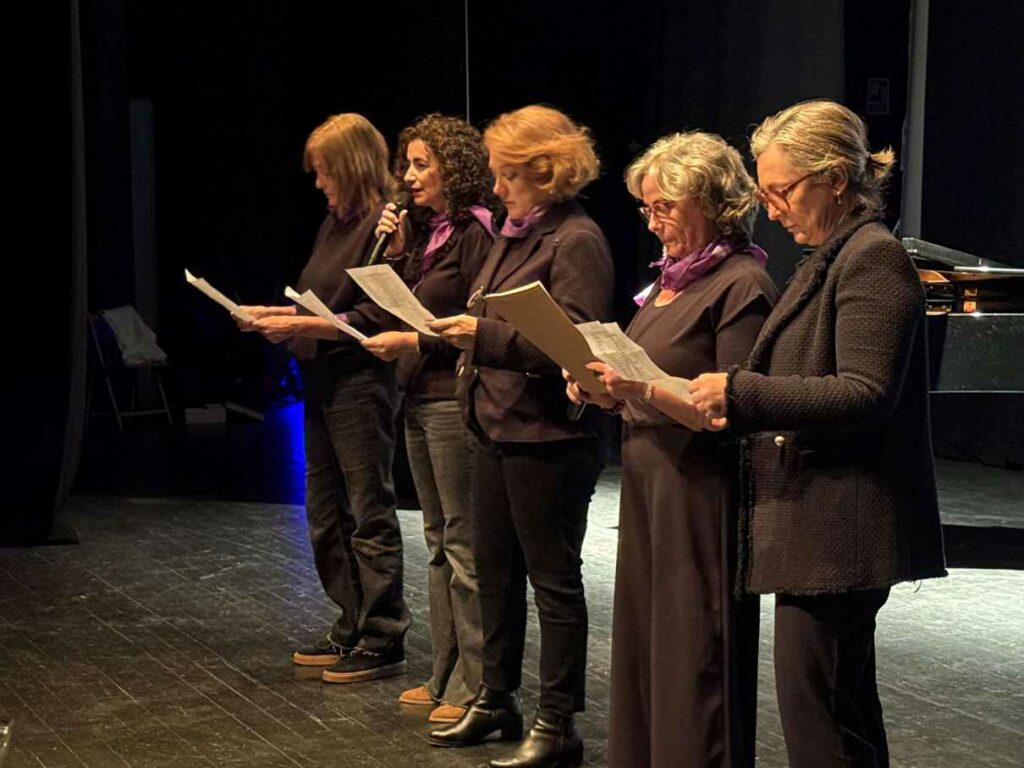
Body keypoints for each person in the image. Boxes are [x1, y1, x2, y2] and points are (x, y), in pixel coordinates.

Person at [689, 99, 947, 768]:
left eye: (781, 191)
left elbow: (863, 393)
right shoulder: (832, 254)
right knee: (841, 709)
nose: (771, 208)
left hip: (844, 529)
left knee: (820, 716)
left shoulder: (872, 258)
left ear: (835, 178)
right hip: (825, 527)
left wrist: (739, 393)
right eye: (765, 192)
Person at [565, 131, 777, 768]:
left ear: (711, 204)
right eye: (646, 209)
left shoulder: (742, 284)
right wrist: (602, 388)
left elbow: (731, 406)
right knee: (644, 646)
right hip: (650, 480)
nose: (652, 223)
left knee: (694, 656)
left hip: (700, 491)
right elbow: (645, 384)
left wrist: (639, 385)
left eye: (664, 208)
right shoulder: (666, 285)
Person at [425, 105, 613, 768]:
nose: (498, 189)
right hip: (495, 426)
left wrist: (485, 337)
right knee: (496, 574)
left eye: (509, 176)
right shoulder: (515, 231)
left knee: (552, 580)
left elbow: (577, 343)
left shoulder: (575, 239)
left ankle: (558, 721)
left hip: (547, 437)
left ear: (547, 172)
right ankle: (495, 697)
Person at [239, 113, 410, 684]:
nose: (318, 184)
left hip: (360, 382)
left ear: (350, 167)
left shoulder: (385, 227)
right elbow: (320, 302)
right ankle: (351, 622)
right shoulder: (334, 224)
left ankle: (384, 633)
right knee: (325, 510)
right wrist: (275, 317)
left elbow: (372, 316)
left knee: (368, 508)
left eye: (324, 172)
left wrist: (303, 326)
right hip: (322, 379)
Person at [361, 114, 497, 724]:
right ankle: (444, 676)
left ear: (456, 169)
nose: (409, 177)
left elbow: (470, 330)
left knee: (464, 547)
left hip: (452, 397)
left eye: (422, 165)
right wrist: (395, 253)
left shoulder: (475, 233)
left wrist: (416, 345)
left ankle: (477, 683)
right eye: (407, 164)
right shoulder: (426, 234)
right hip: (417, 396)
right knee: (438, 542)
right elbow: (410, 307)